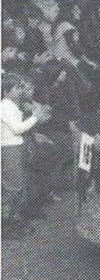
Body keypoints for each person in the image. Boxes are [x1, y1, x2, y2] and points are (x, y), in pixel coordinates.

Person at [1, 71, 52, 235]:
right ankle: (7, 225)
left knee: (17, 186)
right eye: (16, 88)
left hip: (16, 147)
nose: (20, 91)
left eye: (20, 88)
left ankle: (14, 222)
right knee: (13, 187)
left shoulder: (12, 105)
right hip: (10, 149)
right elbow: (17, 129)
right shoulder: (5, 106)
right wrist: (35, 117)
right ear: (6, 91)